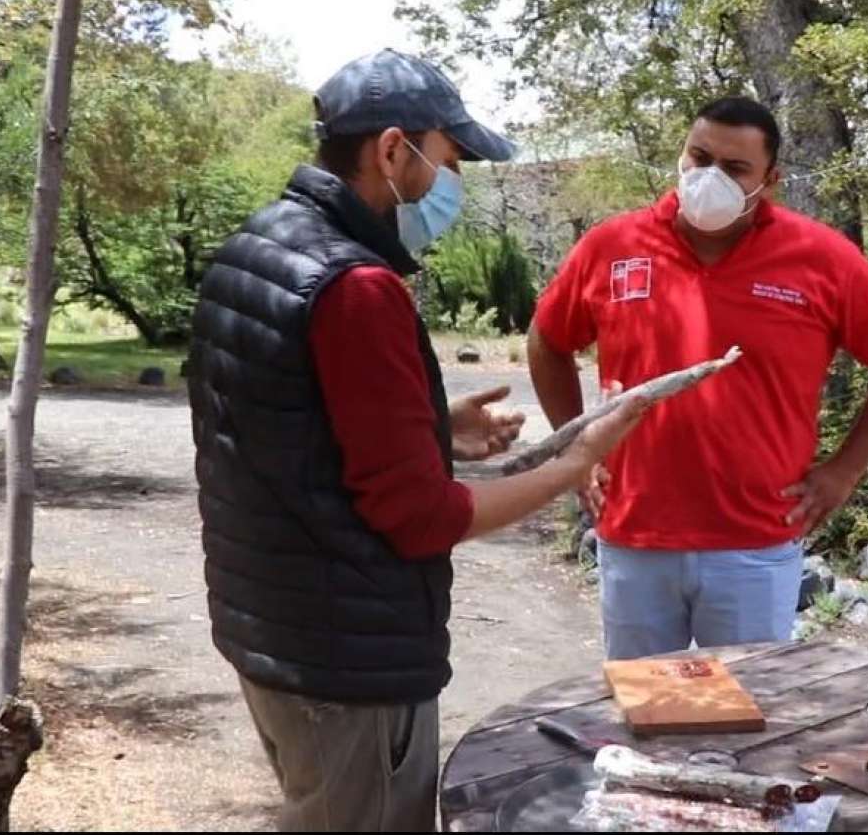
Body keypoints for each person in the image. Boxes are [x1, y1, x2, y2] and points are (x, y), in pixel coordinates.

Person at [187, 48, 650, 832]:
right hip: (346, 660)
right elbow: (422, 517)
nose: (453, 182)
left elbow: (282, 425)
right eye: (449, 159)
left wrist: (428, 426)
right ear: (393, 151)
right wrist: (576, 460)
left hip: (270, 629)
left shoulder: (259, 245)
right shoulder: (356, 288)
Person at [527, 96, 868, 661]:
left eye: (734, 169)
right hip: (635, 532)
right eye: (699, 157)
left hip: (755, 540)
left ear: (769, 180)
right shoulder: (614, 246)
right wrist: (575, 453)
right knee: (642, 716)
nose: (709, 177)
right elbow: (548, 341)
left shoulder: (822, 258)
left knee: (750, 720)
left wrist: (845, 471)